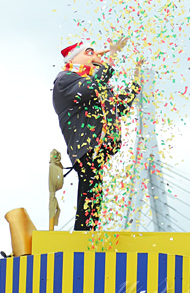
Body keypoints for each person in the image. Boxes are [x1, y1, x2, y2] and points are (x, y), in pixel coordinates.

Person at [53, 37, 143, 230]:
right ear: (74, 58)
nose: (95, 55)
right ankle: (84, 233)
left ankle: (86, 232)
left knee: (93, 191)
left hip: (98, 146)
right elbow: (93, 86)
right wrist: (111, 57)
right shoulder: (65, 79)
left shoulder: (93, 85)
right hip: (86, 146)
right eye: (89, 52)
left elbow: (118, 106)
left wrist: (135, 84)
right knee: (90, 189)